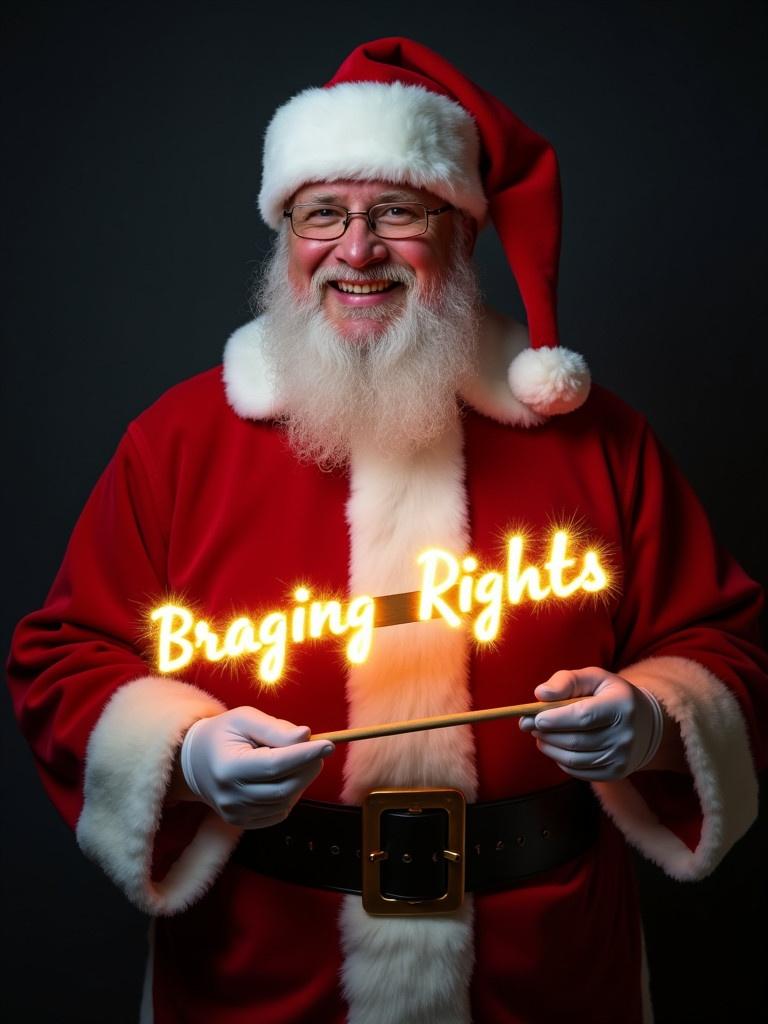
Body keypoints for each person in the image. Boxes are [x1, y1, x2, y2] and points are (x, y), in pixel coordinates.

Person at [6, 36, 767, 1024]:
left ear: (460, 233)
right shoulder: (178, 439)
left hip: (542, 972)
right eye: (323, 214)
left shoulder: (596, 438)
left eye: (397, 214)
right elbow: (63, 657)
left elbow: (726, 646)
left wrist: (657, 721)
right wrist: (185, 751)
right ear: (287, 239)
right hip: (262, 967)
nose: (357, 251)